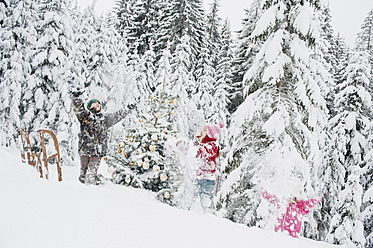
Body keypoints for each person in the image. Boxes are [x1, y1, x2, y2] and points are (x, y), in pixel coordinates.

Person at [71, 89, 136, 185]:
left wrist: (128, 109)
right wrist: (76, 98)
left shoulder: (104, 119)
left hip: (98, 150)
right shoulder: (86, 116)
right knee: (83, 173)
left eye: (98, 104)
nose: (97, 105)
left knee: (92, 173)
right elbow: (79, 108)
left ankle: (90, 187)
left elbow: (117, 115)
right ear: (89, 106)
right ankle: (81, 189)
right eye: (94, 103)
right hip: (85, 148)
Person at [193, 123, 224, 212]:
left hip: (206, 180)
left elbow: (200, 153)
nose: (202, 131)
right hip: (197, 177)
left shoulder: (212, 146)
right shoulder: (202, 143)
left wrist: (191, 149)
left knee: (206, 203)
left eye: (205, 130)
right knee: (191, 198)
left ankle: (210, 219)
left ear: (210, 134)